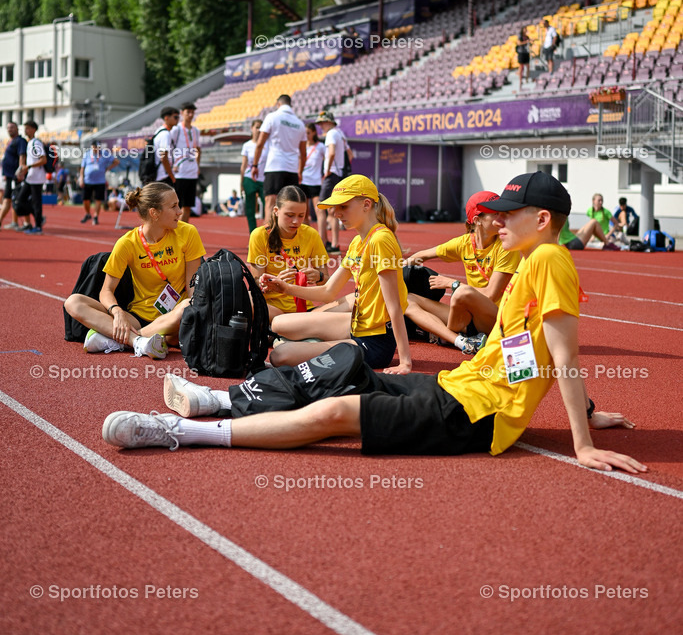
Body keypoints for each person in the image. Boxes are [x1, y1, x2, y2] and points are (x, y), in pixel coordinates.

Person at [102, 171, 647, 478]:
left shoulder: (549, 261)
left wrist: (580, 442)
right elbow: (536, 349)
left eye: (508, 214)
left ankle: (181, 432)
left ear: (543, 220)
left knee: (335, 409)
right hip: (459, 387)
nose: (495, 222)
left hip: (476, 414)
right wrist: (591, 412)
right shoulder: (536, 261)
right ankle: (216, 401)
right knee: (333, 370)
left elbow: (564, 356)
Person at [264, 175, 412, 374]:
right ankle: (317, 343)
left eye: (343, 207)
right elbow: (327, 291)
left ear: (366, 205)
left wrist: (405, 362)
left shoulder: (380, 240)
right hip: (357, 325)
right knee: (279, 323)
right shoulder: (358, 242)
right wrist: (286, 288)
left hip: (375, 341)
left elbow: (394, 306)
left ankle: (316, 345)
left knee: (279, 355)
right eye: (335, 208)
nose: (336, 213)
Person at [64, 182, 206, 359]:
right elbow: (106, 291)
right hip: (138, 315)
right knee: (73, 302)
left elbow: (193, 289)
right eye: (173, 206)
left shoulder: (188, 233)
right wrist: (117, 312)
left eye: (178, 204)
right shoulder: (127, 243)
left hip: (175, 316)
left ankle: (125, 340)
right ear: (154, 213)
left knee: (189, 306)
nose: (180, 211)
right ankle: (141, 341)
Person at [402, 190, 520, 354]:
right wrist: (395, 271)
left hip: (497, 318)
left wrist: (452, 283)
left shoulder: (507, 247)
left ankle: (444, 335)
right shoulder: (464, 243)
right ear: (477, 220)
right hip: (467, 317)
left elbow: (490, 294)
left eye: (503, 213)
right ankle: (459, 339)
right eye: (495, 214)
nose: (502, 219)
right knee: (406, 299)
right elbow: (422, 255)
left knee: (461, 292)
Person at [247, 184, 329, 323]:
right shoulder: (259, 235)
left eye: (301, 215)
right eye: (289, 215)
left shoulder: (311, 235)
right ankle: (290, 329)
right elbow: (256, 286)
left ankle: (286, 331)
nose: (296, 221)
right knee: (244, 298)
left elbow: (327, 285)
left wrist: (319, 276)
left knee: (350, 303)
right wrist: (273, 282)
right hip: (273, 310)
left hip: (304, 310)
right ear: (276, 211)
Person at [251, 95, 306, 222]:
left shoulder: (272, 117)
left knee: (270, 204)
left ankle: (268, 240)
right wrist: (300, 172)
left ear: (278, 104)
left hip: (275, 166)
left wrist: (254, 165)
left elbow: (259, 144)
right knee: (290, 208)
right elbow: (303, 154)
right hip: (292, 169)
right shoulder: (300, 124)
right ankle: (287, 241)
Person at [317, 110, 352, 253]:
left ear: (330, 122)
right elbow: (350, 155)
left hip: (332, 174)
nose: (321, 125)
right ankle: (335, 244)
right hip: (339, 174)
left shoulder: (331, 134)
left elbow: (331, 152)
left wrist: (327, 170)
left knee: (321, 207)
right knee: (333, 210)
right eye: (320, 123)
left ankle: (322, 242)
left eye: (323, 122)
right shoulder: (340, 134)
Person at [14, 120, 46, 234]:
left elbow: (43, 159)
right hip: (30, 178)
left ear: (33, 129)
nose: (25, 130)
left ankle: (38, 226)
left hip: (37, 178)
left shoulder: (36, 143)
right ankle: (38, 217)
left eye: (27, 128)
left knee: (36, 202)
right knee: (20, 200)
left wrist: (29, 166)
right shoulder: (30, 142)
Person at [172, 101, 201, 222]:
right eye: (188, 112)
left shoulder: (196, 131)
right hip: (179, 171)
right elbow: (168, 148)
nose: (190, 115)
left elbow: (198, 149)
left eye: (192, 112)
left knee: (188, 205)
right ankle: (173, 231)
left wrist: (197, 165)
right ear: (182, 113)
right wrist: (172, 164)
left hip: (192, 171)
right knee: (176, 205)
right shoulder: (176, 129)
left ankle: (182, 233)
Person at [78, 142, 119, 224]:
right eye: (94, 147)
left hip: (100, 181)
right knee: (85, 199)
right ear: (91, 147)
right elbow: (82, 168)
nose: (95, 149)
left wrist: (108, 168)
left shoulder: (104, 153)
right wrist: (81, 178)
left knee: (98, 199)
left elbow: (116, 161)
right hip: (88, 180)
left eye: (97, 147)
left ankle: (96, 216)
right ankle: (87, 214)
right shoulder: (87, 154)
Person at [239, 119, 266, 234]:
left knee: (269, 206)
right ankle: (253, 235)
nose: (259, 130)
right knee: (250, 210)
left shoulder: (267, 144)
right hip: (249, 179)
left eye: (261, 127)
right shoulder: (247, 145)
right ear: (252, 128)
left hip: (264, 179)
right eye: (257, 127)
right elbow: (244, 164)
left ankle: (268, 235)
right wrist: (241, 182)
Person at [0, 122, 27, 230]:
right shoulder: (11, 141)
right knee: (11, 199)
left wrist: (20, 171)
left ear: (17, 128)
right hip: (9, 175)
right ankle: (15, 222)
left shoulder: (20, 141)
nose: (9, 129)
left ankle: (26, 222)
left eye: (12, 127)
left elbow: (22, 156)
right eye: (8, 128)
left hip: (15, 176)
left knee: (11, 199)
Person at [301, 122, 326, 233]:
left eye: (308, 133)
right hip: (303, 181)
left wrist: (325, 174)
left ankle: (321, 239)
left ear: (314, 132)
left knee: (319, 210)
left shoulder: (320, 146)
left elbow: (328, 160)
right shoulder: (301, 146)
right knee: (304, 213)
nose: (306, 135)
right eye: (305, 133)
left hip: (315, 182)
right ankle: (306, 238)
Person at [154, 107, 179, 186]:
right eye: (175, 117)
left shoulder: (159, 131)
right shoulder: (165, 134)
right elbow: (163, 158)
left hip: (159, 174)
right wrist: (172, 176)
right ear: (166, 118)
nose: (177, 119)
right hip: (163, 176)